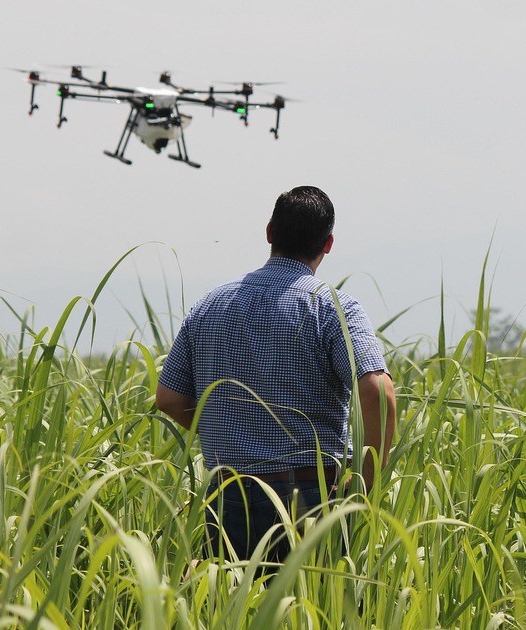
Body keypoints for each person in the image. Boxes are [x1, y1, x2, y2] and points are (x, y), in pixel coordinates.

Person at [156, 185, 397, 567]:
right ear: (329, 243)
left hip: (228, 492)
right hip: (310, 496)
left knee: (229, 611)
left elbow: (168, 398)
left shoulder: (208, 305)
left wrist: (230, 431)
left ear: (269, 233)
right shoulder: (334, 307)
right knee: (313, 611)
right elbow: (378, 390)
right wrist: (365, 483)